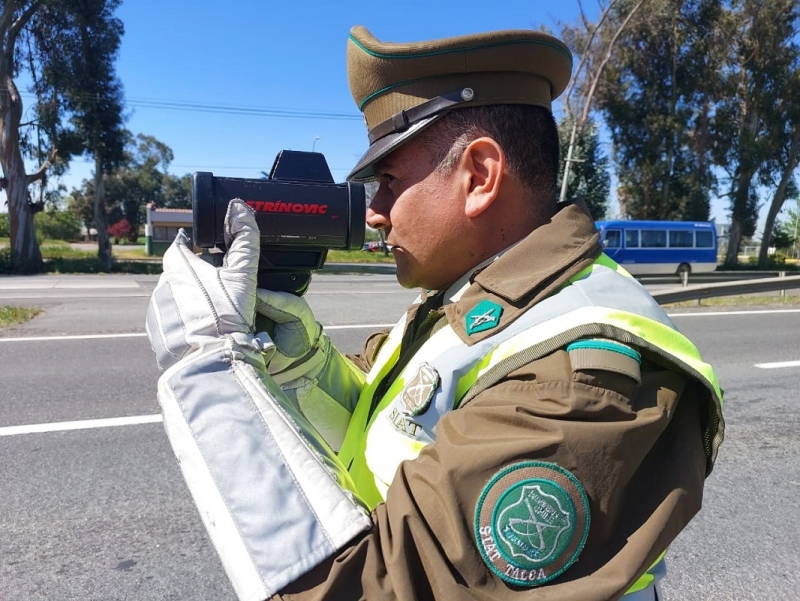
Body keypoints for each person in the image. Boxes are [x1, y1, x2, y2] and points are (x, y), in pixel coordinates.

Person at [145, 26, 724, 601]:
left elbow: (369, 588)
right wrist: (307, 367)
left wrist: (209, 365)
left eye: (389, 180)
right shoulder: (471, 299)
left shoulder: (580, 382)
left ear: (479, 176)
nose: (374, 213)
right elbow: (395, 422)